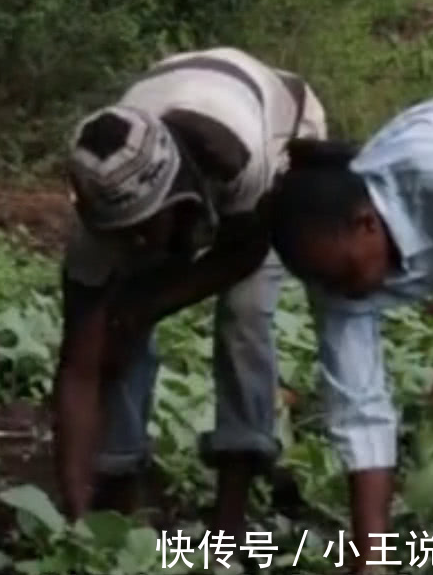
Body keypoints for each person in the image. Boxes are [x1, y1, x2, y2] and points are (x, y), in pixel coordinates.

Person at [268, 52, 433, 573]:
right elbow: (361, 411)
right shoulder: (336, 284)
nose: (341, 292)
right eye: (325, 283)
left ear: (367, 224)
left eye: (345, 274)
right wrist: (369, 560)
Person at [54, 46, 328, 546]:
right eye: (124, 233)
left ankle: (232, 510)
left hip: (283, 122)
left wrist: (152, 303)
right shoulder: (101, 205)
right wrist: (75, 514)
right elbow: (78, 367)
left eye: (143, 229)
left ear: (176, 195)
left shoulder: (239, 157)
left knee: (245, 315)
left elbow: (244, 254)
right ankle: (117, 490)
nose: (134, 245)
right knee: (114, 322)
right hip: (188, 99)